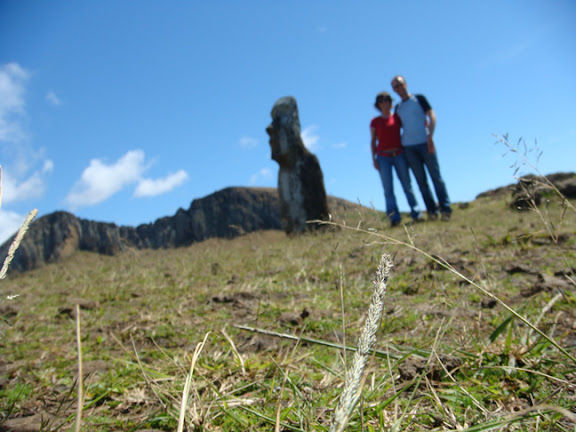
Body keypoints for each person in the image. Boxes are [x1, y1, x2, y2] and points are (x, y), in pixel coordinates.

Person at [391, 75, 452, 221]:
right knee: (421, 182)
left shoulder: (419, 99)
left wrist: (430, 136)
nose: (399, 88)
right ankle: (432, 212)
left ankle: (445, 209)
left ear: (406, 84)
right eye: (395, 86)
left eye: (400, 84)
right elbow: (396, 128)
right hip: (408, 148)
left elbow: (432, 116)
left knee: (436, 178)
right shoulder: (398, 108)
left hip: (425, 143)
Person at [370, 91, 423, 227]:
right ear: (378, 104)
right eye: (381, 100)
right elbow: (373, 141)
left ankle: (416, 213)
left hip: (399, 154)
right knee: (388, 189)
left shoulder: (398, 117)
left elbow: (408, 129)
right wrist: (374, 159)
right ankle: (394, 218)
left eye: (387, 99)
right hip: (383, 157)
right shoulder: (375, 121)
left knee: (407, 185)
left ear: (391, 101)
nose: (385, 102)